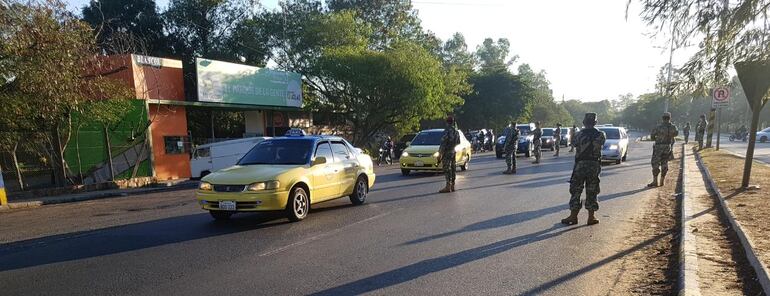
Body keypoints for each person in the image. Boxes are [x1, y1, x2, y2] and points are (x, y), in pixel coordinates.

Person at [561, 113, 606, 226]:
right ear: (595, 122)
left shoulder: (578, 135)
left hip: (580, 165)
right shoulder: (601, 135)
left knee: (576, 190)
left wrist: (572, 133)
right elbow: (602, 144)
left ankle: (573, 216)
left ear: (584, 122)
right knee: (592, 190)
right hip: (594, 165)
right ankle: (591, 217)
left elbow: (574, 143)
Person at [648, 112, 679, 187]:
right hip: (667, 146)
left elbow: (652, 136)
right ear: (669, 118)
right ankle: (662, 181)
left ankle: (655, 181)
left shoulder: (658, 127)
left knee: (655, 163)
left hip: (658, 147)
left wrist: (658, 138)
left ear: (662, 118)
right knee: (664, 163)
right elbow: (676, 134)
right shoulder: (673, 127)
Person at [438, 116, 461, 193]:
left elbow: (443, 143)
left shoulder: (447, 131)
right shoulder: (456, 131)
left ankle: (448, 186)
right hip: (453, 151)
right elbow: (458, 142)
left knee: (447, 169)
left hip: (447, 152)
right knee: (453, 168)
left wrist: (440, 154)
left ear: (447, 122)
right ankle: (453, 185)